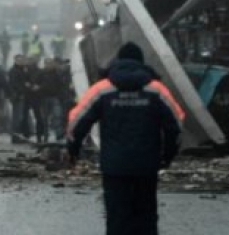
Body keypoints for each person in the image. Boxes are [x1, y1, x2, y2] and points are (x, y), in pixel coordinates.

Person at [66, 42, 184, 235]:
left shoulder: (102, 89)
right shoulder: (156, 90)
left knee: (117, 217)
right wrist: (168, 155)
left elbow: (77, 122)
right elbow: (176, 124)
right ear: (141, 62)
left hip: (114, 166)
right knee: (146, 216)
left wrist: (73, 150)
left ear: (118, 61)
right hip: (146, 165)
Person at [40, 58, 64, 142]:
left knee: (57, 117)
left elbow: (61, 85)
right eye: (47, 63)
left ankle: (59, 135)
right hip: (44, 98)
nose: (49, 65)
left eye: (50, 63)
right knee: (45, 118)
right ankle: (45, 136)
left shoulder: (57, 73)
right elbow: (37, 83)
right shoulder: (41, 73)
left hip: (55, 97)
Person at [23, 56, 45, 143]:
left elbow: (44, 82)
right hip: (29, 95)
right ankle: (28, 133)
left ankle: (39, 134)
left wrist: (39, 87)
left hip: (36, 96)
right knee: (27, 116)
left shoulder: (39, 72)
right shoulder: (25, 71)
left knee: (38, 116)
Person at [8, 54, 28, 144]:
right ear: (15, 61)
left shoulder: (22, 69)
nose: (21, 62)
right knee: (17, 117)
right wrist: (23, 88)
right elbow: (14, 84)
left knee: (19, 117)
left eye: (22, 60)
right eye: (19, 60)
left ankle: (18, 136)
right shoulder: (14, 71)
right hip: (17, 97)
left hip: (21, 96)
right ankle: (15, 137)